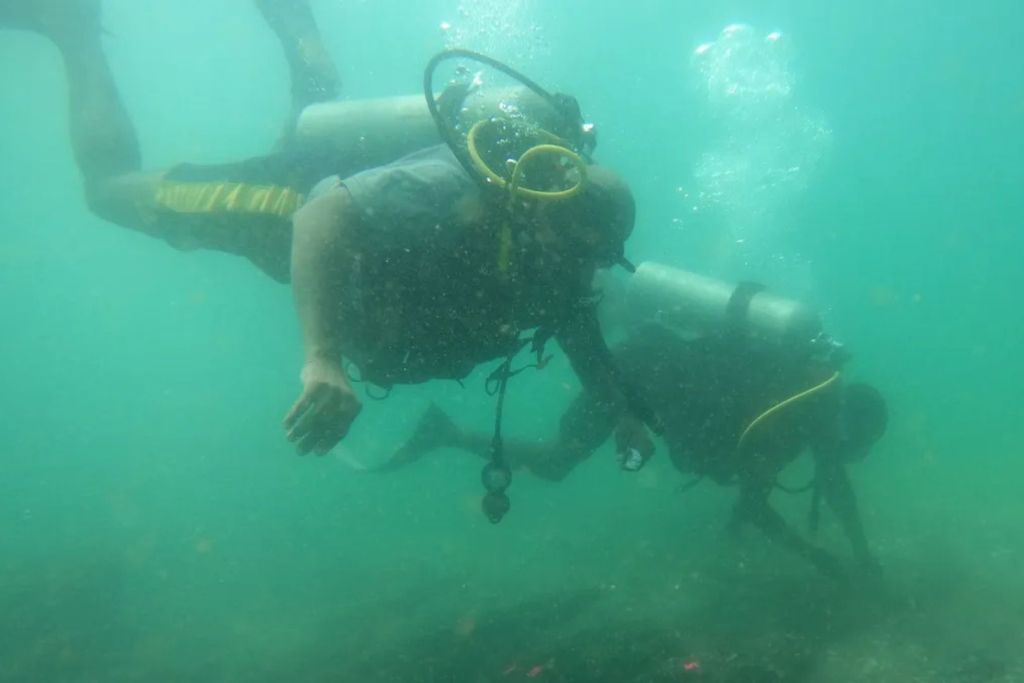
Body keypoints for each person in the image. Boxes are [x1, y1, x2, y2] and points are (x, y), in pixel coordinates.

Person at [1, 1, 657, 476]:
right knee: (110, 192)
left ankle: (297, 25)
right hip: (287, 212)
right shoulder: (455, 192)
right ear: (543, 205)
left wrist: (620, 409)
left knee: (310, 132)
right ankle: (74, 32)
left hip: (357, 199)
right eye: (573, 244)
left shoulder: (562, 263)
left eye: (592, 258)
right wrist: (322, 356)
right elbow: (319, 219)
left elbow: (577, 327)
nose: (575, 266)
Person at [375, 318, 888, 579]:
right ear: (845, 426)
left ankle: (444, 433)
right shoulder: (793, 415)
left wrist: (860, 553)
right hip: (636, 376)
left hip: (649, 365)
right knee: (556, 463)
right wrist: (824, 559)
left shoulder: (801, 399)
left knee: (557, 462)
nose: (840, 458)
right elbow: (757, 505)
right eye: (853, 446)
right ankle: (444, 433)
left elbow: (827, 487)